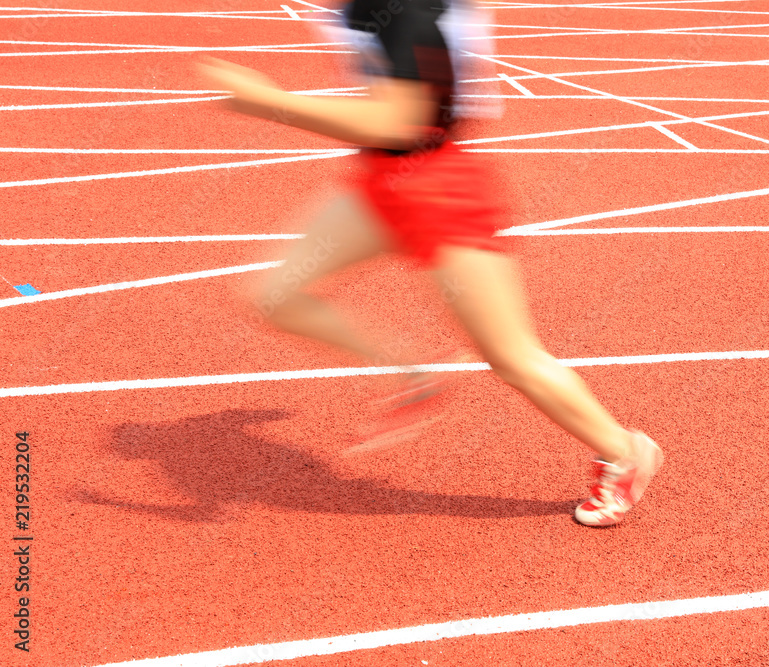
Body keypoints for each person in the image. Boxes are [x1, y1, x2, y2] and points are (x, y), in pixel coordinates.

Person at [197, 0, 661, 526]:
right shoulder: (369, 7)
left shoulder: (405, 9)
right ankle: (412, 370)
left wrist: (268, 102)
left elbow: (398, 120)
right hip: (383, 179)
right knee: (273, 295)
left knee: (510, 356)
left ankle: (623, 451)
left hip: (439, 189)